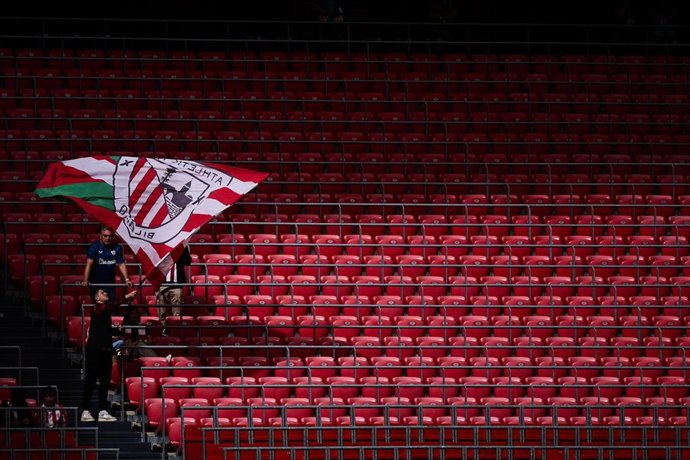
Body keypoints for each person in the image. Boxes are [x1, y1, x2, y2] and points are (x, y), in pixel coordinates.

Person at [80, 288, 137, 423]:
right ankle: (85, 411)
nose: (105, 293)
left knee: (105, 382)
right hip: (95, 351)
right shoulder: (98, 308)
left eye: (105, 292)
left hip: (106, 350)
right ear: (97, 298)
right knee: (90, 381)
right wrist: (127, 296)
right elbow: (111, 305)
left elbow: (104, 329)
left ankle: (102, 411)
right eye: (102, 293)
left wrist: (116, 330)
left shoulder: (105, 312)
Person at [81, 227, 133, 301]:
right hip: (96, 283)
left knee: (111, 304)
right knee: (98, 306)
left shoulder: (117, 247)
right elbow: (89, 264)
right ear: (100, 236)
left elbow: (121, 265)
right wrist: (85, 280)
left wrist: (127, 279)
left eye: (110, 236)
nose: (108, 238)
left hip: (110, 283)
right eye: (105, 236)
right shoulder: (94, 247)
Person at [156, 246, 192, 320]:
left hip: (177, 284)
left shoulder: (182, 245)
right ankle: (163, 331)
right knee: (161, 312)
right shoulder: (159, 245)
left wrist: (182, 248)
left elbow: (188, 262)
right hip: (162, 284)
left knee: (177, 313)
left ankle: (176, 331)